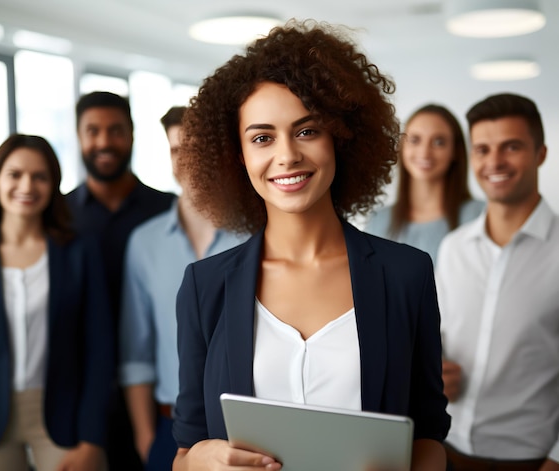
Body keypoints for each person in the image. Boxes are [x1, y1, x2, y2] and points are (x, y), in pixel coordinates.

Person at [171, 19, 450, 471]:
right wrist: (200, 459)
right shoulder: (205, 286)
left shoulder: (406, 274)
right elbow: (185, 449)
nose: (287, 155)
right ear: (238, 155)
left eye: (306, 131)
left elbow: (430, 436)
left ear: (340, 137)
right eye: (262, 137)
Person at [0, 134, 113, 471]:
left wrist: (93, 439)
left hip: (64, 416)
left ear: (53, 185)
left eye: (40, 176)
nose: (27, 185)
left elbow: (100, 349)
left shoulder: (80, 253)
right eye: (15, 174)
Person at [118, 106, 247, 471]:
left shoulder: (256, 234)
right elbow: (136, 354)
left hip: (247, 431)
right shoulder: (144, 243)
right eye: (177, 150)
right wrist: (146, 439)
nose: (187, 160)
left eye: (197, 148)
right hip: (168, 428)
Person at [437, 93, 559, 470]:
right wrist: (432, 368)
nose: (494, 162)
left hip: (530, 461)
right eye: (483, 149)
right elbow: (435, 334)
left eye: (512, 147)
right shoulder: (453, 248)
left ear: (540, 153)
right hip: (447, 451)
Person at [65, 91, 174, 470]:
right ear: (79, 137)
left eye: (115, 131)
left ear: (131, 135)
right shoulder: (57, 218)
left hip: (155, 398)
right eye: (92, 131)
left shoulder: (168, 211)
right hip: (75, 400)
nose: (104, 142)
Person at [365, 104, 484, 263]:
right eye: (415, 140)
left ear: (455, 150)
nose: (425, 153)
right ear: (401, 147)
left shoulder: (480, 216)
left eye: (439, 142)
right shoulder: (378, 221)